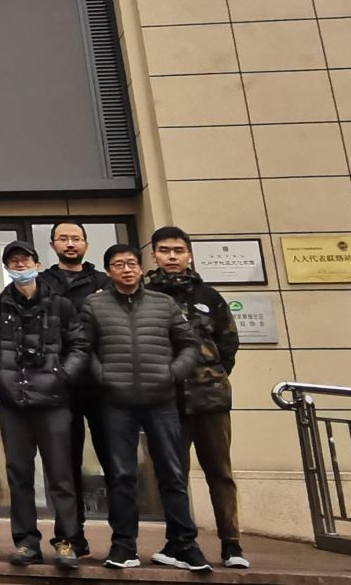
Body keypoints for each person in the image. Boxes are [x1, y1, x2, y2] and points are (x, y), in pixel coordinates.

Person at [81, 242, 207, 573]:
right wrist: (103, 376)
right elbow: (84, 348)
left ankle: (184, 544)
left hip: (161, 401)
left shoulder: (163, 304)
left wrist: (172, 374)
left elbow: (189, 345)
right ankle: (124, 545)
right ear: (108, 272)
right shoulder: (94, 305)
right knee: (122, 475)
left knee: (171, 473)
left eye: (131, 264)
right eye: (118, 265)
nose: (126, 270)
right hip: (116, 403)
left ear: (140, 268)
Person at [145, 225, 248, 570]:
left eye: (178, 250)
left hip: (210, 399)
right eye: (164, 251)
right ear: (154, 255)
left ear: (188, 254)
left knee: (220, 472)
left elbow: (228, 344)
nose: (171, 257)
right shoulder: (146, 295)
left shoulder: (209, 296)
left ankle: (231, 544)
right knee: (172, 475)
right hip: (166, 401)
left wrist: (211, 374)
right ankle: (179, 542)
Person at [0, 239, 90, 569]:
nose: (20, 265)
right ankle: (26, 542)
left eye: (25, 260)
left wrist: (63, 376)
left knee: (61, 475)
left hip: (54, 402)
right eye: (13, 262)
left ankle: (67, 541)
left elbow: (79, 346)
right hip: (13, 402)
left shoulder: (61, 306)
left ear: (37, 264)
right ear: (6, 267)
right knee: (19, 475)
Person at [38, 220, 113, 559]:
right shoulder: (43, 282)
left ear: (86, 244)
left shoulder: (103, 282)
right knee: (64, 467)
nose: (70, 243)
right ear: (53, 245)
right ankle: (70, 538)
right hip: (59, 387)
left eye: (76, 238)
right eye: (63, 238)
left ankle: (123, 540)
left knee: (115, 464)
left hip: (101, 385)